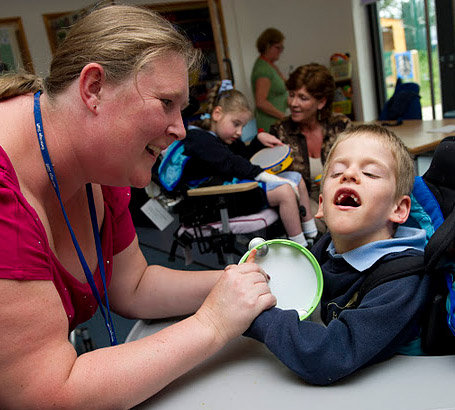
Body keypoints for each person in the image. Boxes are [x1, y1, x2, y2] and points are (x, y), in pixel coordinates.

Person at [0, 5, 276, 409]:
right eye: (166, 102)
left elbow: (133, 287)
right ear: (93, 88)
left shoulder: (99, 163)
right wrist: (213, 324)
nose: (180, 129)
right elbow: (45, 394)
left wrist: (246, 281)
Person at [244, 124, 430, 385]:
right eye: (337, 172)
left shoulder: (402, 279)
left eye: (370, 173)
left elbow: (331, 356)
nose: (349, 175)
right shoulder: (326, 246)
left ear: (398, 209)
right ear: (321, 206)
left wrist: (256, 314)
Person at [179, 81, 318, 247]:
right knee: (285, 192)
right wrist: (266, 177)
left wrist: (258, 141)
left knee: (296, 178)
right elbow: (231, 163)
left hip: (231, 191)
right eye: (236, 124)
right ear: (217, 114)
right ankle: (302, 247)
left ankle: (313, 235)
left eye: (242, 126)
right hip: (212, 201)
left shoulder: (226, 139)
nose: (239, 132)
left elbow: (243, 159)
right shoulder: (199, 139)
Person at [269, 63, 351, 231]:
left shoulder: (340, 126)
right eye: (291, 95)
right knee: (325, 222)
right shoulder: (280, 131)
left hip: (341, 194)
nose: (293, 103)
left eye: (303, 98)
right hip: (303, 201)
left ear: (321, 102)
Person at [251, 28, 287, 133]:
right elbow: (261, 102)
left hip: (276, 121)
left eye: (282, 48)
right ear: (267, 46)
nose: (280, 51)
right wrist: (283, 117)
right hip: (270, 124)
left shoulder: (270, 66)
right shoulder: (263, 69)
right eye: (277, 47)